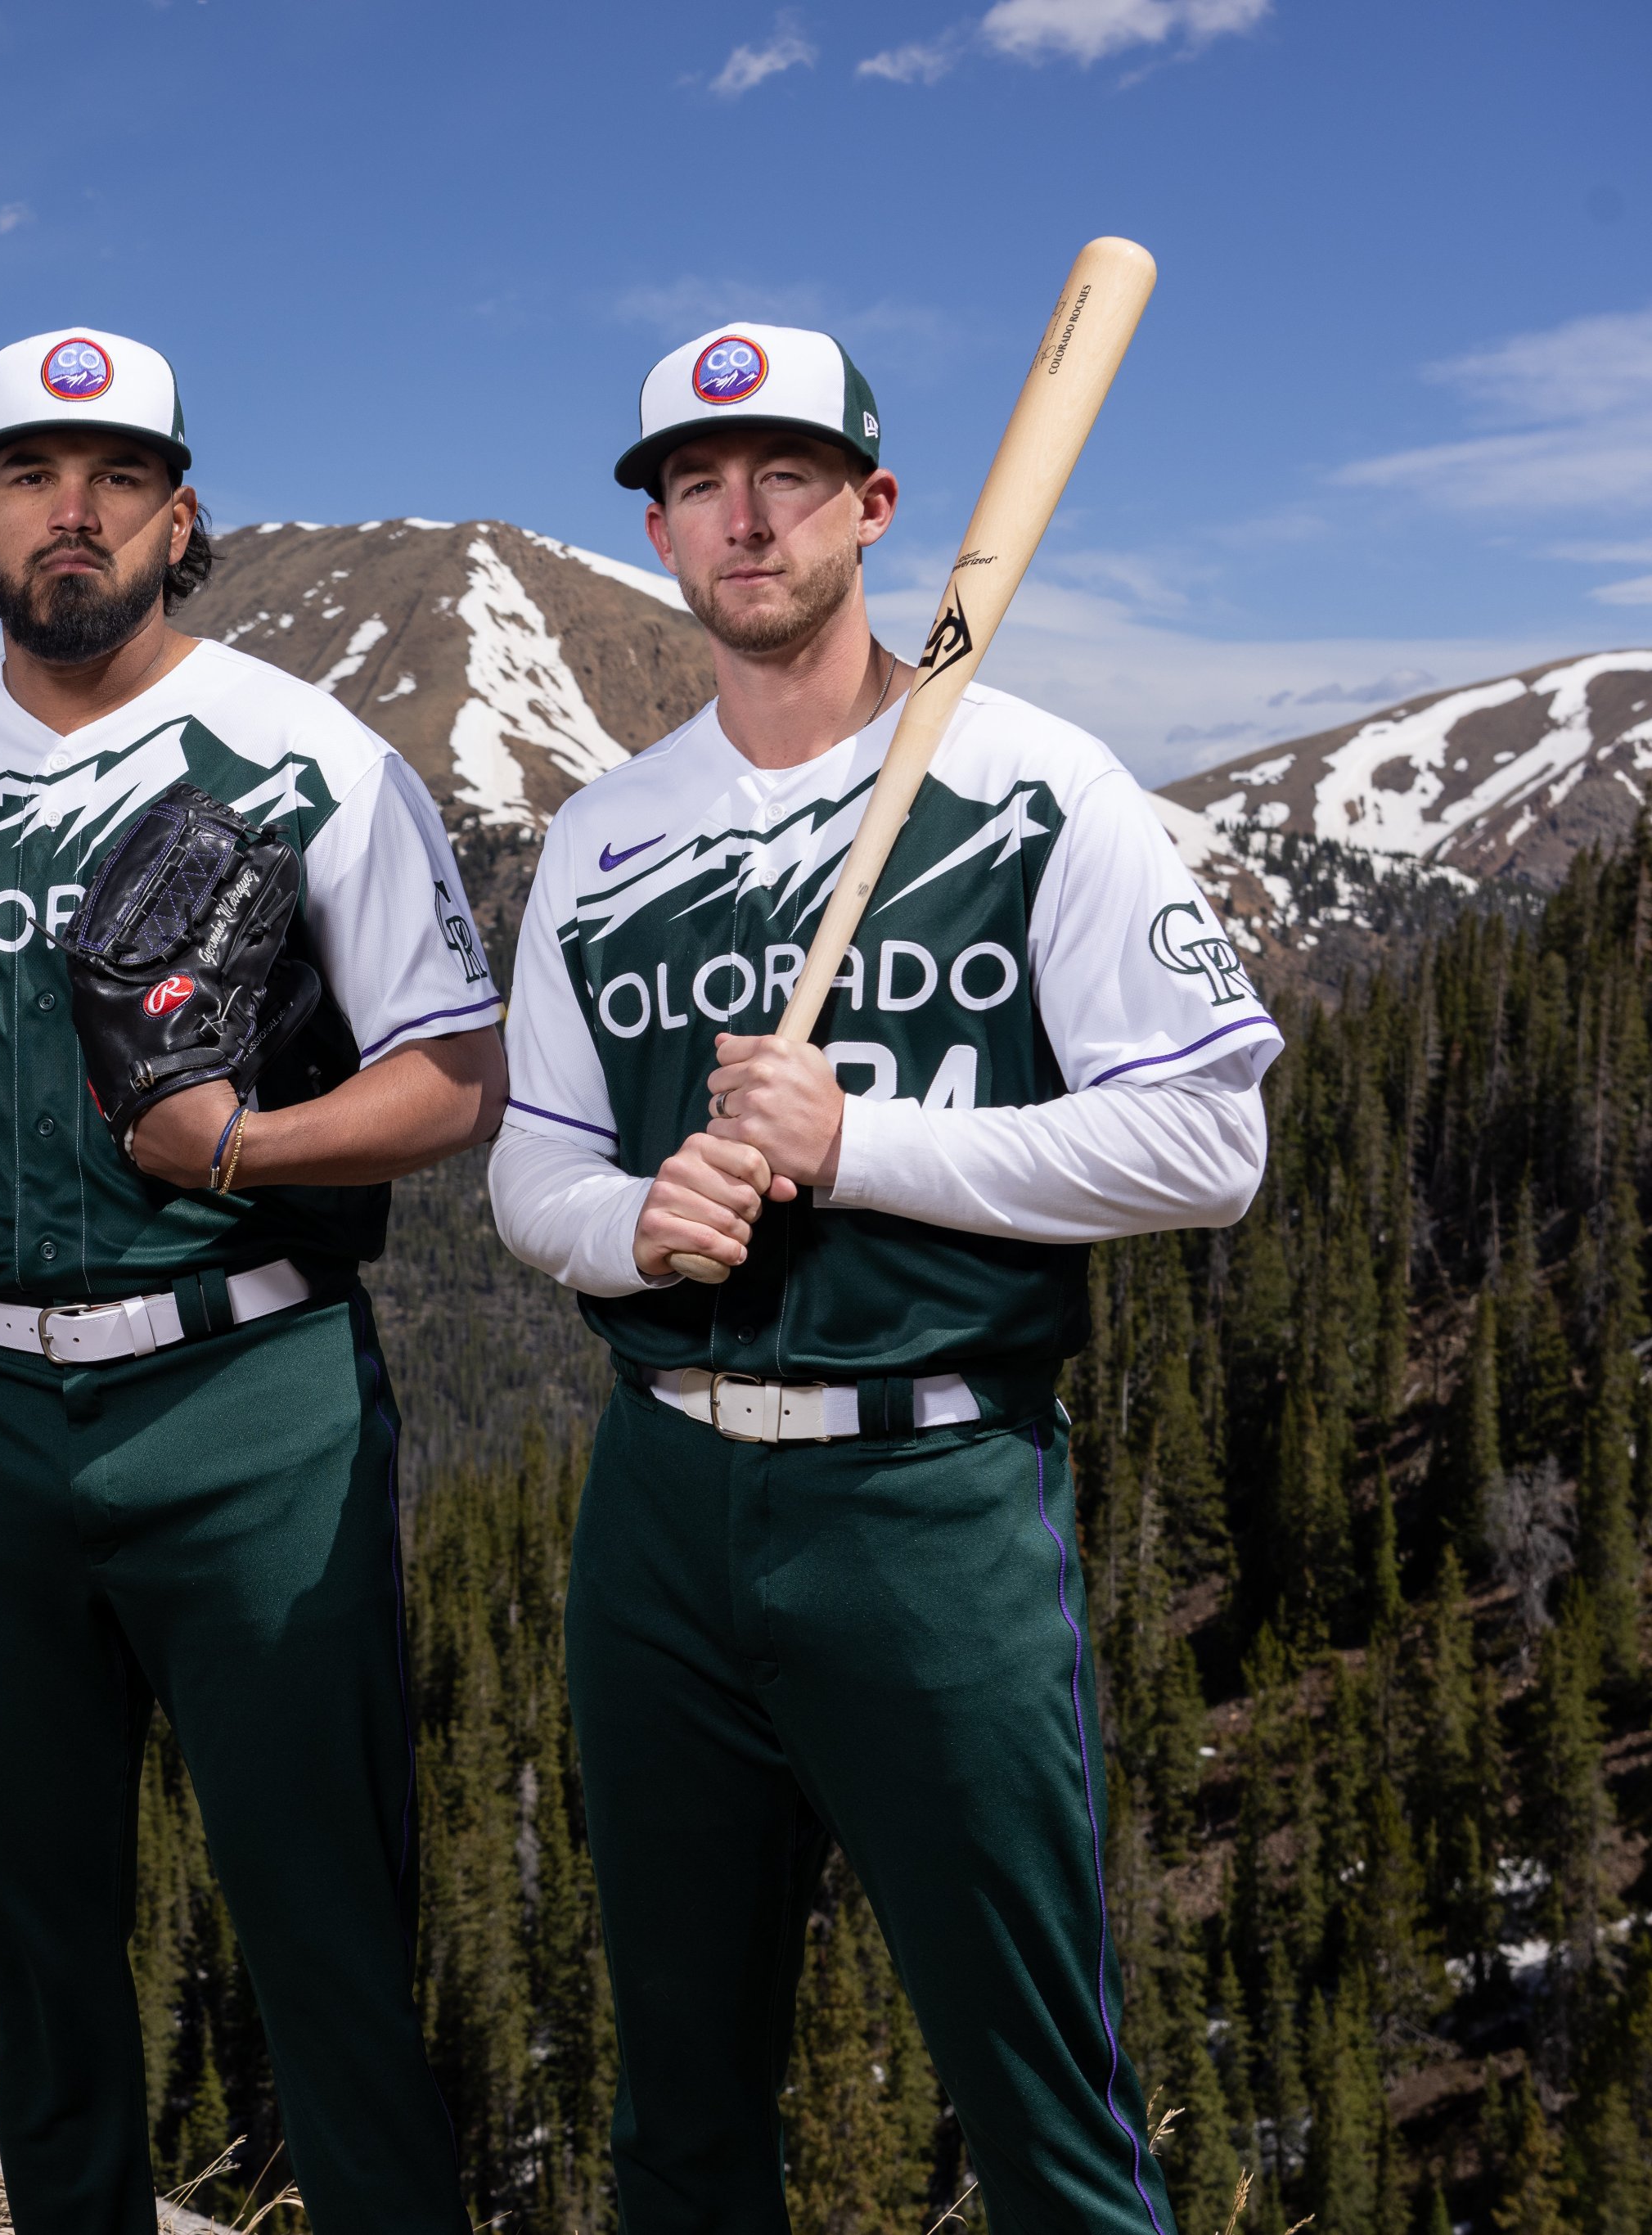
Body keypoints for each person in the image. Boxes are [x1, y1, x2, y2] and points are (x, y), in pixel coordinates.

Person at [490, 320, 1278, 2232]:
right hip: (662, 1498)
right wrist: (630, 1224)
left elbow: (1207, 1141)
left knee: (1040, 2105)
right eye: (693, 485)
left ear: (874, 506)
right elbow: (530, 1161)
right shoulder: (602, 836)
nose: (739, 518)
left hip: (928, 1493)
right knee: (676, 2106)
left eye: (783, 478)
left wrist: (863, 1147)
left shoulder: (1027, 784)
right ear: (660, 533)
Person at [0, 324, 500, 2233]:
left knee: (329, 1941)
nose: (63, 514)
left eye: (110, 480)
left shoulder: (309, 754)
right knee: (41, 1967)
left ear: (180, 519)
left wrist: (242, 1147)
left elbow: (451, 1080)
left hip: (249, 1404)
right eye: (24, 475)